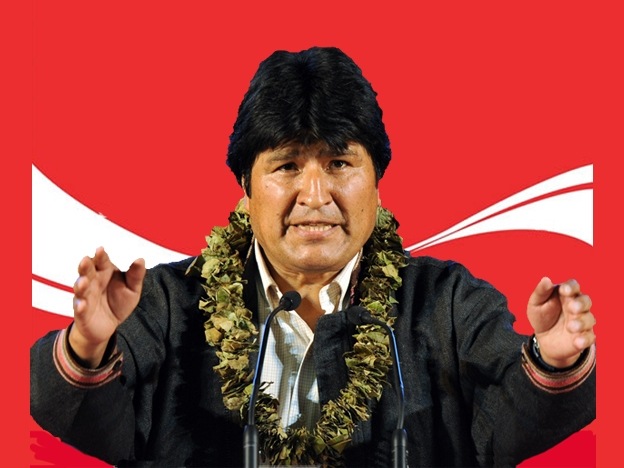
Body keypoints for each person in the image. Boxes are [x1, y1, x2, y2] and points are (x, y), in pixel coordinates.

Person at [30, 46, 596, 467]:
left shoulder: (446, 301)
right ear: (245, 189)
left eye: (339, 164)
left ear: (378, 183)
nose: (315, 196)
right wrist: (88, 346)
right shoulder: (169, 302)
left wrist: (554, 361)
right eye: (287, 166)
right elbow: (99, 429)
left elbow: (505, 432)